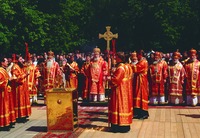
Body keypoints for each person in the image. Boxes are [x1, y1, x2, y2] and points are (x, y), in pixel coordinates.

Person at [108, 52, 133, 133]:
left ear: (120, 58)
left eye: (116, 58)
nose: (114, 59)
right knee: (125, 107)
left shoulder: (120, 68)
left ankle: (118, 126)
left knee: (119, 106)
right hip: (126, 89)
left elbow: (116, 80)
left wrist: (110, 79)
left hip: (120, 90)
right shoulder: (127, 66)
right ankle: (125, 125)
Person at [11, 54, 30, 122]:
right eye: (20, 59)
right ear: (17, 60)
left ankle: (24, 114)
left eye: (22, 59)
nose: (22, 60)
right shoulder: (15, 67)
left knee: (23, 100)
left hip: (22, 87)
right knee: (19, 100)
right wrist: (25, 75)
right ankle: (19, 115)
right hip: (18, 87)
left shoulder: (20, 66)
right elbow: (16, 78)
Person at [131, 50, 149, 119]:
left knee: (141, 96)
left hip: (141, 81)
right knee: (137, 95)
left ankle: (144, 113)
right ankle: (138, 112)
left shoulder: (143, 62)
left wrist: (128, 66)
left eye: (137, 55)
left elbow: (136, 68)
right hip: (138, 80)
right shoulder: (141, 61)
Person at [0, 56, 12, 130]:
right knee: (2, 108)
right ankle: (3, 124)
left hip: (6, 92)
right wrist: (8, 81)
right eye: (6, 61)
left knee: (6, 107)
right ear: (2, 62)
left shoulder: (4, 70)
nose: (7, 62)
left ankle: (6, 122)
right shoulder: (0, 71)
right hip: (2, 94)